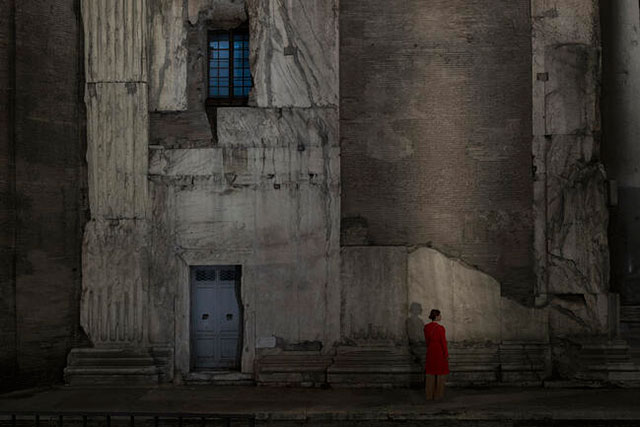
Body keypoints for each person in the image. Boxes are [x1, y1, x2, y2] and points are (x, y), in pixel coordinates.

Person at [424, 309, 449, 401]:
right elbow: (443, 343)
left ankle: (429, 395)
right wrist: (446, 354)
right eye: (440, 315)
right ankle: (438, 395)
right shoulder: (440, 328)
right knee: (440, 373)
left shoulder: (426, 327)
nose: (441, 317)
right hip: (439, 351)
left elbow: (427, 341)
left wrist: (430, 347)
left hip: (431, 350)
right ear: (437, 316)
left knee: (430, 373)